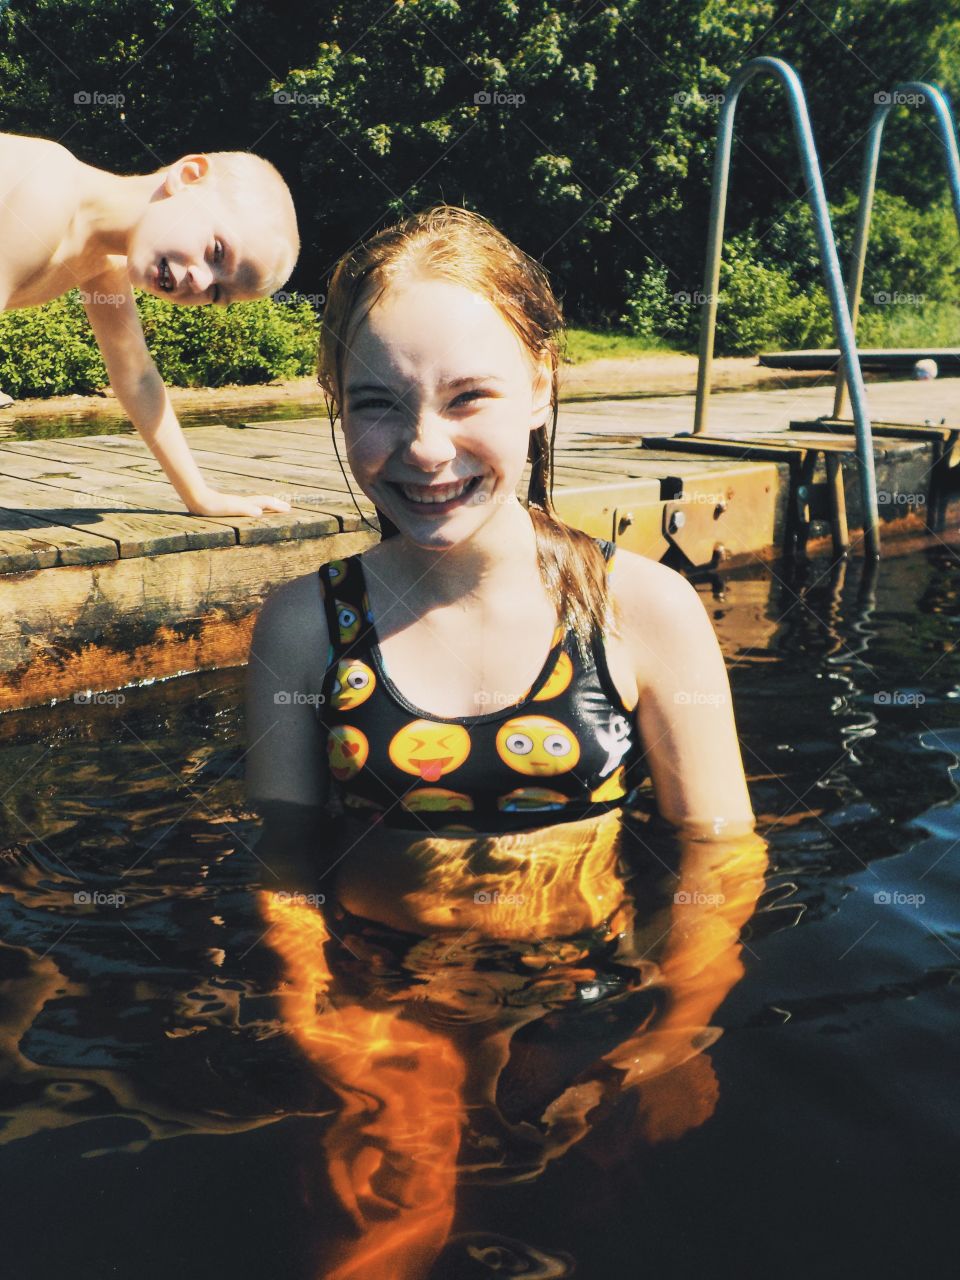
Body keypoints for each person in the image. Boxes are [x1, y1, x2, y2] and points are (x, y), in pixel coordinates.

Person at [244, 205, 766, 1277]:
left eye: (468, 396)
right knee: (373, 1244)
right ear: (339, 411)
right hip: (385, 998)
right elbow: (285, 854)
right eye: (379, 405)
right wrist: (319, 1010)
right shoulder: (305, 624)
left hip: (590, 996)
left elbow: (722, 851)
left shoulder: (646, 612)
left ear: (540, 383)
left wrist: (681, 1021)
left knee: (591, 1231)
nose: (425, 449)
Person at [0, 132, 299, 516]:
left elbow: (136, 375)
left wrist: (200, 497)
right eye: (216, 251)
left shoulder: (104, 263)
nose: (202, 282)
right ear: (188, 175)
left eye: (217, 294)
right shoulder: (47, 190)